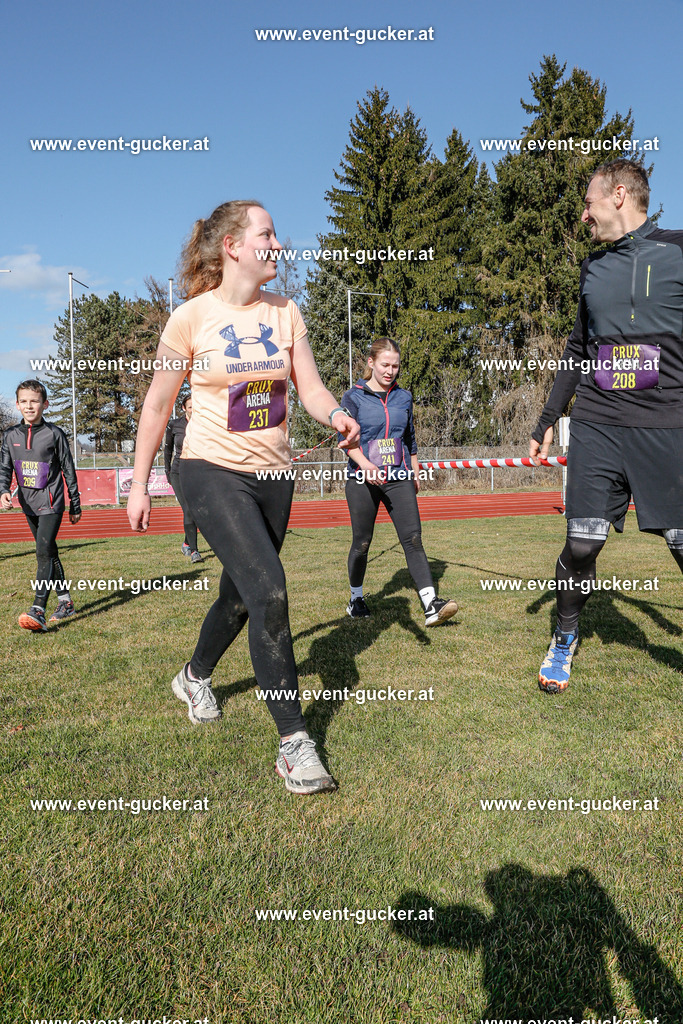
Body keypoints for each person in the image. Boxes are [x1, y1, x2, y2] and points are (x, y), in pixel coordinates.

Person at [126, 199, 359, 795]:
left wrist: (336, 414)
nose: (278, 244)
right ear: (233, 245)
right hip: (208, 469)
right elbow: (156, 405)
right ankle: (294, 744)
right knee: (270, 590)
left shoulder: (286, 313)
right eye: (268, 233)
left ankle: (194, 674)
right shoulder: (189, 319)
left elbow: (307, 386)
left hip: (274, 477)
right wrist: (141, 480)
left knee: (240, 598)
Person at [530, 159, 683, 693]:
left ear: (619, 195)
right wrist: (550, 415)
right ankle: (565, 636)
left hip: (667, 425)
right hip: (597, 420)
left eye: (589, 201)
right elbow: (577, 349)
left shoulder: (678, 249)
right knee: (582, 543)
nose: (583, 214)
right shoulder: (591, 269)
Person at [340, 337, 458, 627]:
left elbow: (409, 438)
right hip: (362, 478)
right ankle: (356, 599)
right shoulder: (352, 397)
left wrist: (415, 470)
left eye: (395, 365)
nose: (390, 371)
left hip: (398, 476)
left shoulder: (404, 397)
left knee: (413, 539)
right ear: (371, 363)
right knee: (362, 543)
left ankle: (431, 604)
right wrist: (366, 466)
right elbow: (346, 440)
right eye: (385, 365)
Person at [0, 379, 82, 630]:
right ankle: (66, 602)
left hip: (52, 502)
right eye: (24, 401)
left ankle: (38, 609)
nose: (29, 405)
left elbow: (68, 469)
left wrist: (75, 503)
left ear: (44, 404)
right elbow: (5, 467)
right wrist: (3, 490)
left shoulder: (54, 434)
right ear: (17, 404)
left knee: (42, 552)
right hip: (28, 504)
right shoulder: (10, 435)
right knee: (49, 551)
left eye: (34, 401)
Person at [164, 394, 203, 562]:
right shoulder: (175, 425)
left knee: (200, 512)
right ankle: (194, 552)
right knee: (188, 509)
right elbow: (167, 451)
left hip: (199, 472)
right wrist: (167, 473)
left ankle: (187, 543)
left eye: (196, 406)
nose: (193, 410)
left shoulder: (205, 424)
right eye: (190, 407)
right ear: (183, 408)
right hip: (178, 472)